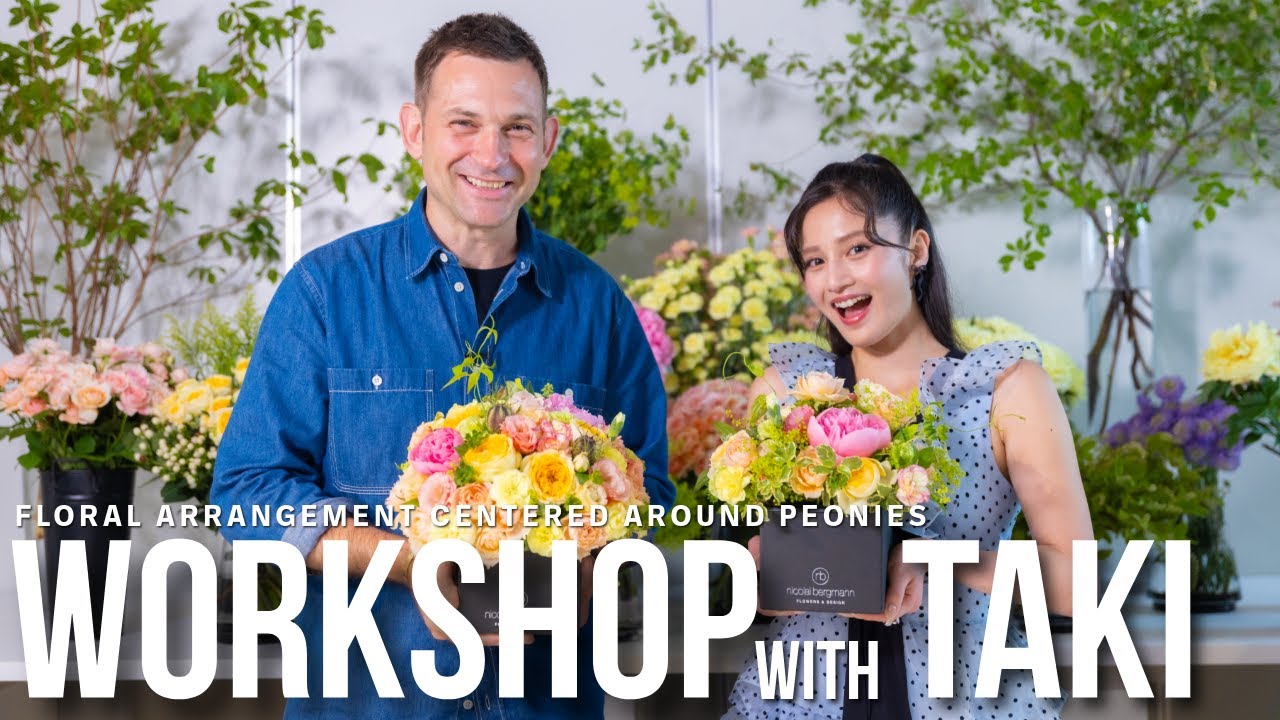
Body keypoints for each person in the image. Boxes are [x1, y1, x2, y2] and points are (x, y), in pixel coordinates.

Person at [212, 13, 673, 719]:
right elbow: (246, 494)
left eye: (517, 128)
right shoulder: (325, 294)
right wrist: (404, 560)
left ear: (547, 141)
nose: (491, 155)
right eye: (464, 123)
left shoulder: (599, 307)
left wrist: (590, 564)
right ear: (414, 131)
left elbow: (651, 496)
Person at [723, 154, 1093, 719]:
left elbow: (1077, 581)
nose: (836, 279)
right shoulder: (784, 392)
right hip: (804, 698)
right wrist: (759, 567)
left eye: (858, 249)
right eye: (815, 261)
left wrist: (930, 560)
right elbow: (749, 584)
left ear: (916, 250)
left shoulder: (1006, 390)